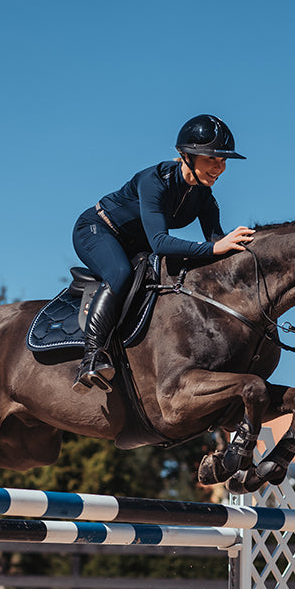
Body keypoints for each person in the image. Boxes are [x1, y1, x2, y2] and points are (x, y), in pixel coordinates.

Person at [71, 113, 254, 393]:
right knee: (119, 272)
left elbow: (218, 244)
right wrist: (216, 246)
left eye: (223, 161)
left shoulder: (205, 197)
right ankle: (92, 357)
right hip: (98, 230)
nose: (219, 167)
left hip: (135, 244)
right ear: (186, 155)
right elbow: (159, 242)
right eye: (211, 159)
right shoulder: (153, 181)